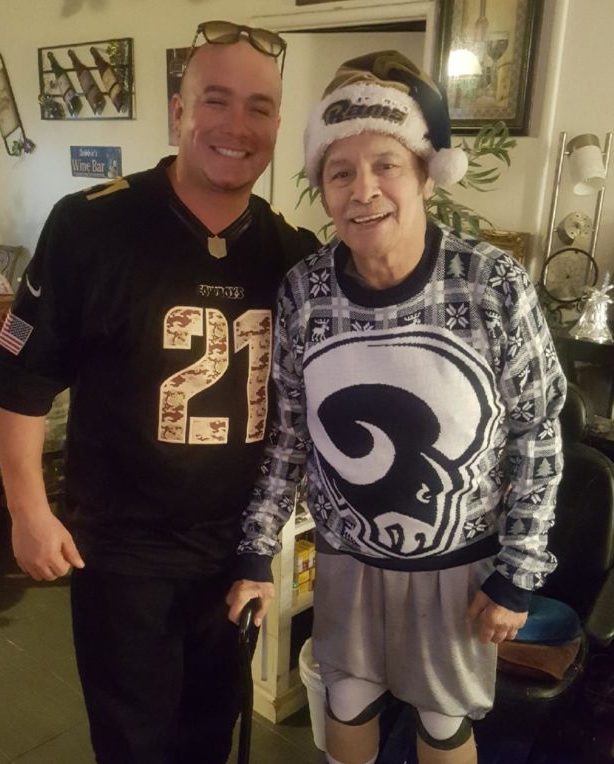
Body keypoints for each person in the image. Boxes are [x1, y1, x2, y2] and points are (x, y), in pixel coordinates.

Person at [0, 20, 318, 764]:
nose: (237, 125)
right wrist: (27, 511)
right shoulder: (90, 226)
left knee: (208, 735)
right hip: (122, 553)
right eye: (216, 100)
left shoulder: (295, 255)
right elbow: (19, 379)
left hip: (236, 551)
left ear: (277, 126)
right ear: (177, 112)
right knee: (133, 744)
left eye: (260, 107)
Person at [227, 51, 566, 764]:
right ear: (322, 188)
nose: (364, 190)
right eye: (340, 172)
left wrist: (518, 572)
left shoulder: (491, 284)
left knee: (443, 721)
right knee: (346, 698)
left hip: (459, 568)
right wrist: (258, 547)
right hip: (346, 559)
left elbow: (539, 435)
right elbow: (289, 436)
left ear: (425, 175)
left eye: (386, 165)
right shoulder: (304, 291)